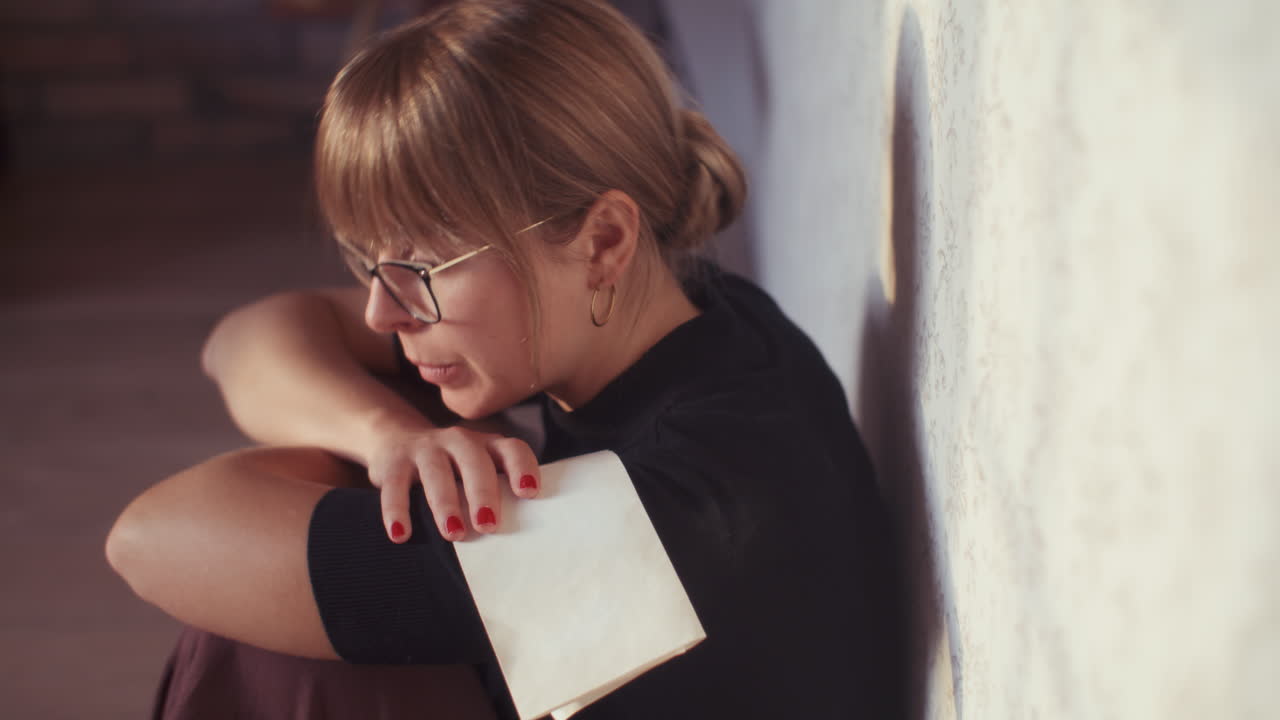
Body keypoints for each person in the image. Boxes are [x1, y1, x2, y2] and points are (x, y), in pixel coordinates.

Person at [106, 0, 905, 717]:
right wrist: (389, 436)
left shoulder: (662, 520)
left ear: (603, 241)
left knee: (264, 648)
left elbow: (145, 538)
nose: (385, 308)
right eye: (368, 259)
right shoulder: (704, 314)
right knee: (397, 452)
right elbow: (248, 338)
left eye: (423, 266)